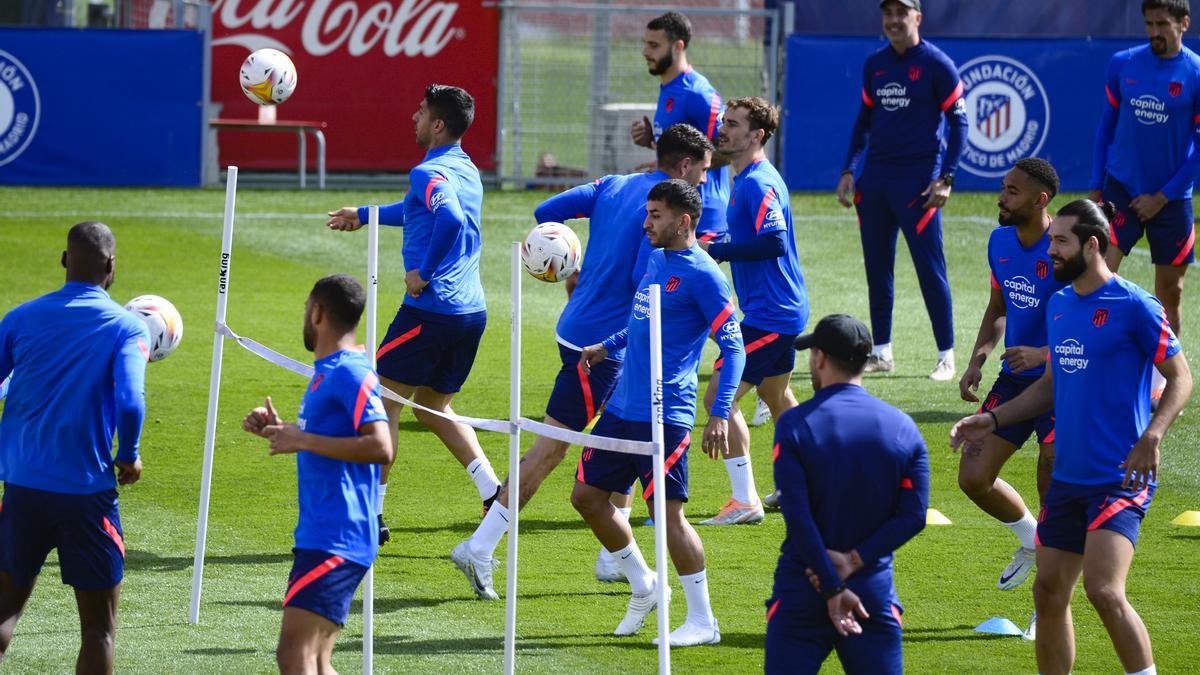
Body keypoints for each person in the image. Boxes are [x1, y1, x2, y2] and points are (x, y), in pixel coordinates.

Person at [449, 123, 715, 597]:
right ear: (685, 165)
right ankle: (481, 545)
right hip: (604, 345)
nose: (703, 185)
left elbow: (547, 211)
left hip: (573, 328)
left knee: (625, 431)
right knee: (551, 448)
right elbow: (643, 278)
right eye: (702, 173)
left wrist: (574, 260)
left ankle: (616, 558)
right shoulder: (659, 218)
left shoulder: (611, 185)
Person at [951, 199, 1193, 675]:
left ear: (1092, 245)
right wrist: (994, 421)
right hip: (1070, 478)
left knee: (1103, 590)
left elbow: (1181, 377)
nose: (1051, 251)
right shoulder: (1060, 305)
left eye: (1060, 241)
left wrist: (1154, 435)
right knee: (1048, 591)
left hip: (1119, 475)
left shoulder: (1136, 306)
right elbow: (1050, 387)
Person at [573, 179, 744, 646]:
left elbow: (735, 348)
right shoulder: (656, 258)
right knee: (586, 498)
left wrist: (720, 413)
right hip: (623, 406)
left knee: (667, 519)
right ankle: (646, 583)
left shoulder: (705, 275)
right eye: (647, 213)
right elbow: (641, 319)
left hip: (665, 412)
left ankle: (703, 621)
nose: (646, 222)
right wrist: (605, 346)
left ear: (683, 221)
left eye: (655, 215)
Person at [327, 84, 498, 539]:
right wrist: (363, 215)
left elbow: (451, 219)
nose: (413, 118)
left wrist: (424, 270)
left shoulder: (428, 173)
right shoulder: (466, 169)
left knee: (383, 404)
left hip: (431, 311)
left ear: (438, 124)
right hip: (470, 313)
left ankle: (373, 515)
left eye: (420, 112)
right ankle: (493, 491)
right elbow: (420, 210)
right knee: (434, 406)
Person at [0, 221, 148, 672]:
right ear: (111, 266)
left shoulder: (19, 318)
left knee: (4, 611)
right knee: (98, 630)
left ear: (65, 260)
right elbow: (130, 399)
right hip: (86, 495)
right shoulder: (126, 327)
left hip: (22, 489)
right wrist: (129, 454)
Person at [241, 274, 393, 674]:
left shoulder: (350, 372)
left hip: (337, 535)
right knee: (318, 661)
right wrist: (285, 431)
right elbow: (325, 438)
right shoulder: (329, 372)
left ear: (318, 311)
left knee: (295, 655)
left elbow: (381, 446)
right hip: (325, 532)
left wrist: (302, 441)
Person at [633, 10, 776, 429]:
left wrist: (687, 180)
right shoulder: (669, 90)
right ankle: (765, 381)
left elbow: (720, 146)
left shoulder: (697, 92)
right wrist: (655, 146)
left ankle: (748, 378)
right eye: (645, 44)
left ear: (678, 46)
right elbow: (686, 149)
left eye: (654, 45)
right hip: (682, 203)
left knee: (705, 303)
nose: (646, 51)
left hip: (702, 211)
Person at [765, 314, 929, 675]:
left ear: (819, 358)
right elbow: (914, 516)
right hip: (871, 592)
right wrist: (854, 560)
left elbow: (798, 516)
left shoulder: (795, 424)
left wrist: (831, 584)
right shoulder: (903, 428)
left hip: (803, 589)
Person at [836, 0, 968, 381]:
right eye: (888, 14)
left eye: (901, 13)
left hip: (918, 183)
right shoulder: (875, 63)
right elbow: (863, 119)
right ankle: (881, 352)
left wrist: (947, 178)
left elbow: (959, 124)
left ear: (917, 18)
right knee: (878, 269)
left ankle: (947, 356)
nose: (894, 21)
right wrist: (849, 168)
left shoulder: (937, 64)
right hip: (875, 181)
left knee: (930, 269)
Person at [957, 159, 1065, 606]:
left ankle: (1051, 608)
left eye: (1013, 191)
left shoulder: (1065, 248)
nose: (1002, 197)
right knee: (973, 476)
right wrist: (977, 359)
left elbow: (1095, 325)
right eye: (1003, 188)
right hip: (1015, 380)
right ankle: (1031, 539)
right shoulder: (999, 241)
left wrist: (1044, 354)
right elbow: (998, 306)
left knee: (1052, 489)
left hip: (1062, 382)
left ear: (1041, 200)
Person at [698, 96, 808, 524]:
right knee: (777, 397)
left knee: (717, 397)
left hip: (771, 315)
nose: (723, 129)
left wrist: (720, 251)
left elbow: (774, 240)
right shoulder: (743, 178)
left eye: (733, 124)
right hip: (779, 309)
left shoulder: (758, 182)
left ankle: (744, 501)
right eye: (724, 121)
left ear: (756, 135)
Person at [1089, 0, 1200, 407]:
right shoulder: (1123, 63)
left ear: (1184, 24)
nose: (1153, 31)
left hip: (1170, 201)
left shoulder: (1196, 73)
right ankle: (1091, 364)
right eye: (1149, 23)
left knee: (1170, 293)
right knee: (1097, 278)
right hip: (1119, 190)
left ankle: (1162, 380)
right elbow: (1106, 127)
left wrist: (1164, 196)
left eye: (1162, 24)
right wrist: (1096, 186)